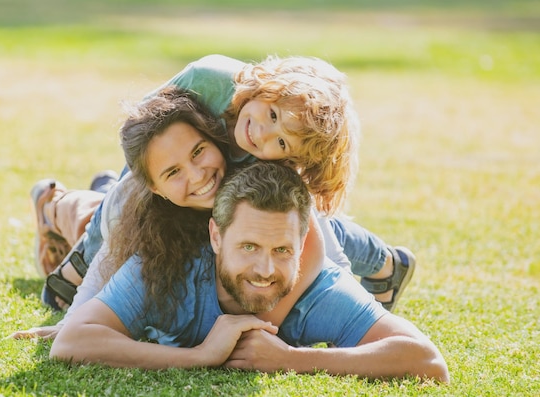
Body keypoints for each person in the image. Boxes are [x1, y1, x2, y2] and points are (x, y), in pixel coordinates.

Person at [32, 54, 415, 312]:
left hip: (220, 191)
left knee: (295, 226)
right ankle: (76, 244)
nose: (262, 134)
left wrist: (347, 303)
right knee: (127, 194)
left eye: (281, 141)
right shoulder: (208, 79)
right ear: (267, 88)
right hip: (175, 179)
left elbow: (320, 239)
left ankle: (386, 264)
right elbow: (142, 134)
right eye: (271, 113)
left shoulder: (272, 164)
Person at [49, 161, 448, 382]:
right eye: (249, 247)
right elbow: (70, 343)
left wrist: (291, 358)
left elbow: (427, 360)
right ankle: (52, 202)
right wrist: (200, 356)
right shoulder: (166, 268)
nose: (265, 269)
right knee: (85, 216)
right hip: (116, 215)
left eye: (282, 250)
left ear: (303, 242)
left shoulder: (320, 292)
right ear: (216, 236)